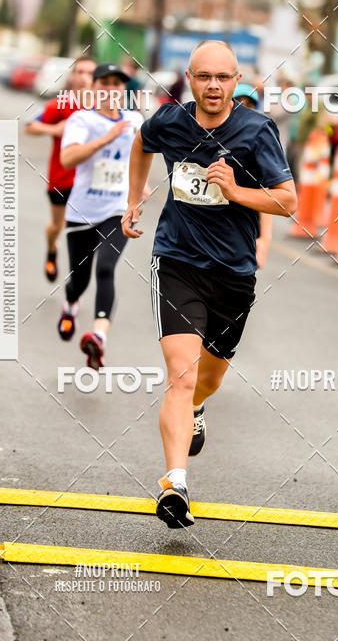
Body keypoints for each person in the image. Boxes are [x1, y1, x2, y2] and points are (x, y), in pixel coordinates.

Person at [122, 40, 297, 529]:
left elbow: (289, 202)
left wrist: (235, 190)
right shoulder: (171, 120)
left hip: (234, 274)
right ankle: (175, 485)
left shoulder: (257, 131)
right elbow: (142, 142)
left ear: (236, 82)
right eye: (204, 77)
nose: (213, 86)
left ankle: (198, 407)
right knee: (181, 373)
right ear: (190, 79)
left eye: (222, 78)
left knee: (208, 378)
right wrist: (134, 198)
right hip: (177, 261)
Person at [57, 63, 145, 368]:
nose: (111, 90)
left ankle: (98, 337)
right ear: (94, 88)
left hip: (117, 209)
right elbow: (67, 158)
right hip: (82, 210)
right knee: (78, 281)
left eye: (117, 85)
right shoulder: (82, 120)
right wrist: (107, 138)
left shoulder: (135, 120)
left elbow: (140, 159)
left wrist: (141, 187)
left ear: (124, 90)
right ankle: (70, 305)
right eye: (105, 83)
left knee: (106, 268)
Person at [25, 57, 96, 281]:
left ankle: (79, 277)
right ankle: (51, 249)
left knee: (86, 230)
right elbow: (31, 127)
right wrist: (55, 129)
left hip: (90, 182)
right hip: (62, 177)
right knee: (58, 225)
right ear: (72, 76)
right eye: (80, 71)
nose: (84, 77)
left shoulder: (103, 106)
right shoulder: (62, 103)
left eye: (89, 72)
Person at [233, 83, 273, 267]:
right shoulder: (209, 137)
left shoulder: (258, 144)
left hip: (244, 236)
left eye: (249, 104)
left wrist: (264, 241)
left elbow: (268, 196)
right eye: (238, 102)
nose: (243, 108)